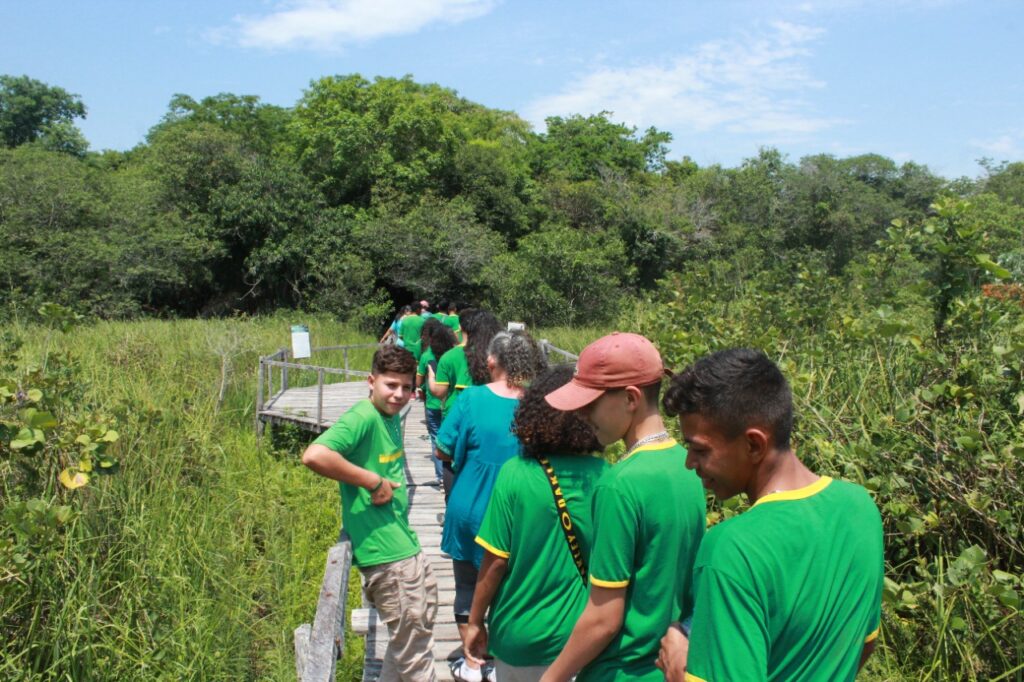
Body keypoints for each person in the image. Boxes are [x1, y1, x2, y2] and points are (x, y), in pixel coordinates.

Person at [656, 348, 884, 682]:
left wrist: (677, 667)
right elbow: (863, 644)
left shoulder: (731, 549)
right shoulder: (860, 506)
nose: (690, 463)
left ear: (754, 445)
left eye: (700, 449)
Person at [540, 332, 706, 682]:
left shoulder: (618, 486)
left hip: (618, 670)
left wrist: (550, 678)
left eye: (591, 403)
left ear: (631, 398)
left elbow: (604, 618)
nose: (582, 415)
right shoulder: (689, 466)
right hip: (668, 666)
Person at [300, 345, 437, 682]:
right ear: (371, 381)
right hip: (389, 558)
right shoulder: (362, 416)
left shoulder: (389, 417)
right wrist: (372, 481)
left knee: (410, 641)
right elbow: (314, 455)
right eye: (391, 385)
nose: (399, 395)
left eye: (407, 387)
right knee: (416, 654)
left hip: (402, 546)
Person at [466, 364, 609, 682]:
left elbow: (495, 563)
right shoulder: (607, 478)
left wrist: (475, 620)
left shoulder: (515, 473)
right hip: (581, 637)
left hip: (520, 635)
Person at [436, 330, 548, 682]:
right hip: (521, 508)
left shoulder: (470, 400)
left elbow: (443, 448)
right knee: (513, 585)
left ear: (490, 362)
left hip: (471, 502)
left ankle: (472, 662)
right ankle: (501, 662)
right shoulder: (539, 404)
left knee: (468, 587)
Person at [432, 309, 502, 497]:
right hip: (488, 421)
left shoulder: (449, 357)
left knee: (451, 465)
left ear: (461, 327)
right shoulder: (495, 358)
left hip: (455, 420)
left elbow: (440, 392)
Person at [418, 318, 457, 487]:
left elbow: (419, 380)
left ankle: (441, 477)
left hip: (432, 404)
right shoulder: (453, 355)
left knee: (436, 438)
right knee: (452, 439)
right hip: (451, 405)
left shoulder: (426, 355)